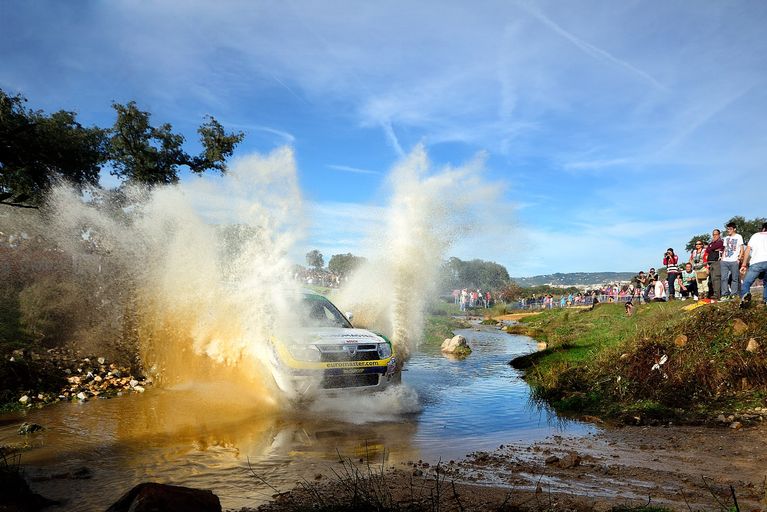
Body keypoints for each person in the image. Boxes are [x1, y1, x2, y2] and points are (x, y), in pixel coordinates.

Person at [740, 221, 767, 308]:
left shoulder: (755, 235)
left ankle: (745, 295)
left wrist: (744, 264)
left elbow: (748, 249)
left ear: (763, 229)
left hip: (757, 262)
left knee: (746, 283)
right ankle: (766, 301)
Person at [721, 222, 744, 300]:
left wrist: (739, 259)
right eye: (727, 229)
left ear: (734, 229)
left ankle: (733, 293)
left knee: (734, 278)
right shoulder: (726, 238)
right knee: (724, 278)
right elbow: (725, 248)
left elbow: (742, 249)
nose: (728, 231)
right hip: (725, 261)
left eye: (730, 229)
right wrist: (722, 258)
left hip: (734, 260)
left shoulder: (739, 237)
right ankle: (725, 294)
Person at [705, 229, 724, 299]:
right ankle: (713, 293)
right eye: (713, 235)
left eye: (716, 234)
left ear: (719, 235)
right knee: (712, 279)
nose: (714, 236)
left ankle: (717, 294)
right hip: (710, 263)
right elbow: (708, 249)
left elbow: (712, 247)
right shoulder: (712, 243)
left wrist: (711, 247)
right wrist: (711, 247)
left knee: (716, 278)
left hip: (717, 262)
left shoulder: (720, 242)